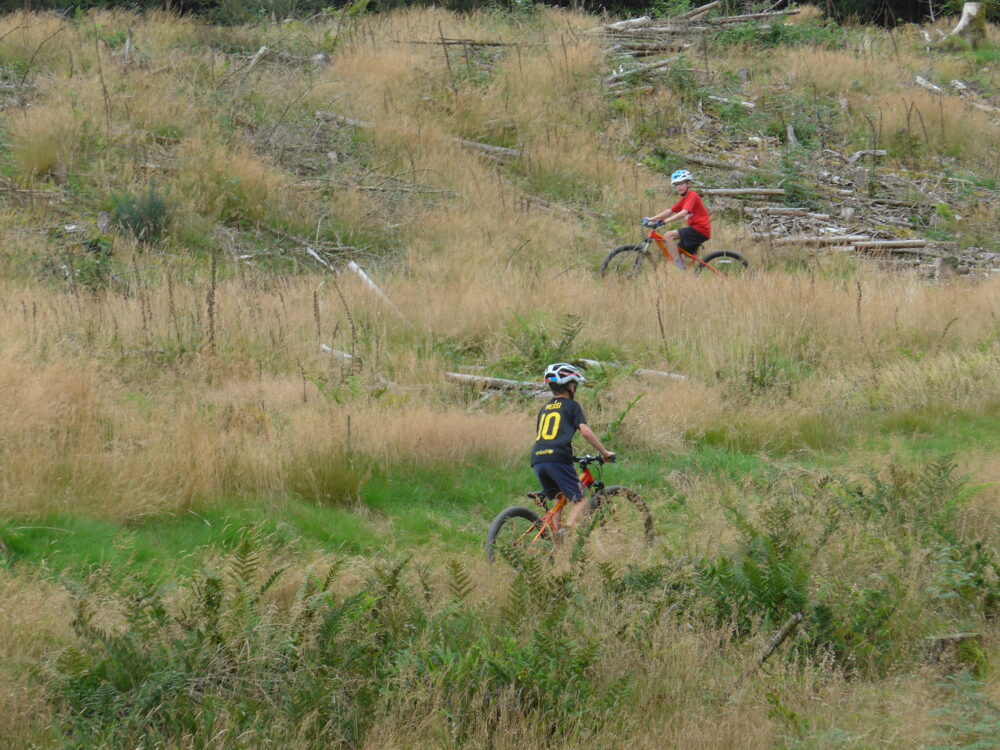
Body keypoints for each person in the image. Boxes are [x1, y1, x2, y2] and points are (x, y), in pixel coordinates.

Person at [531, 363, 615, 535]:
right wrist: (604, 452)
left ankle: (558, 546)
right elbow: (585, 431)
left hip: (538, 458)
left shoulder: (544, 408)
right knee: (581, 501)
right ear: (571, 386)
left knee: (560, 499)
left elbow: (548, 436)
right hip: (557, 458)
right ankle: (566, 533)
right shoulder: (572, 406)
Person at [642, 169, 711, 270]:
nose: (678, 187)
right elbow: (670, 211)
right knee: (676, 251)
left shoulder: (692, 195)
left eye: (681, 184)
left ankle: (679, 264)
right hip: (696, 229)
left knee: (668, 236)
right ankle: (686, 273)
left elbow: (684, 212)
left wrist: (665, 221)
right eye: (676, 185)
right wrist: (652, 218)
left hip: (700, 229)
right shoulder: (684, 199)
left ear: (688, 184)